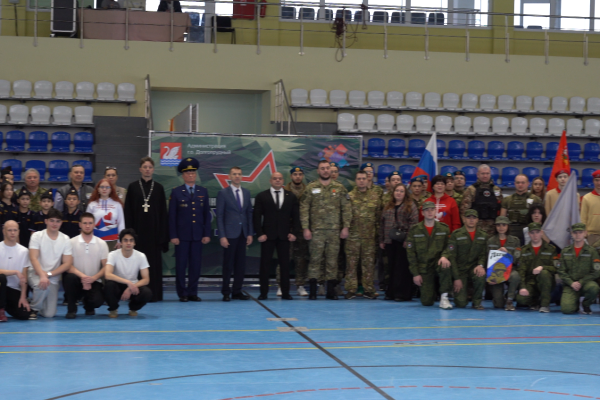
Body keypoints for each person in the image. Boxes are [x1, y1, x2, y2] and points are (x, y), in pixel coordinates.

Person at [300, 160, 351, 300]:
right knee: (315, 260)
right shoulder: (311, 187)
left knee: (332, 261)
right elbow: (304, 209)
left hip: (334, 231)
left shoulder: (339, 188)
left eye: (327, 168)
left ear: (331, 170)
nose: (325, 170)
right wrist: (305, 228)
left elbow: (346, 208)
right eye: (322, 168)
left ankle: (330, 292)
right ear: (318, 171)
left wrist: (345, 227)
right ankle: (313, 291)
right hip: (316, 231)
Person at [124, 157, 169, 302]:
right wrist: (129, 235)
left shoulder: (159, 188)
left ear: (153, 169)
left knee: (153, 265)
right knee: (136, 264)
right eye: (145, 167)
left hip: (154, 235)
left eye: (150, 167)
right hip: (137, 235)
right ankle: (135, 293)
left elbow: (163, 214)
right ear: (140, 169)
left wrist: (163, 237)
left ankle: (154, 294)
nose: (147, 169)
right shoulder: (132, 187)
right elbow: (128, 212)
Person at [169, 158, 211, 302]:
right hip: (182, 236)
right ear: (183, 175)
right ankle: (182, 293)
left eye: (193, 172)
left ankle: (193, 292)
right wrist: (173, 235)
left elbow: (206, 215)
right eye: (188, 173)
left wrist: (206, 233)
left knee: (195, 265)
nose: (191, 175)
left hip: (197, 235)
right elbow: (172, 216)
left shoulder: (203, 191)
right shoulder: (176, 192)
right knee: (181, 266)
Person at [253, 172, 300, 300]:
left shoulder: (291, 196)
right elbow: (256, 217)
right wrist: (260, 233)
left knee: (285, 265)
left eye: (280, 178)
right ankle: (263, 293)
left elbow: (296, 216)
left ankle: (285, 292)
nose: (277, 180)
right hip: (267, 236)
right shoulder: (262, 196)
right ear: (270, 181)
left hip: (285, 236)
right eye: (275, 178)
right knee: (265, 265)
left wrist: (294, 233)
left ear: (283, 180)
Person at [27, 209, 73, 319]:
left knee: (49, 314)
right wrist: (42, 275)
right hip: (35, 272)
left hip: (52, 276)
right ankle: (34, 308)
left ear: (61, 223)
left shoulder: (65, 239)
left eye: (58, 221)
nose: (54, 224)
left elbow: (67, 263)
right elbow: (33, 258)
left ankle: (39, 300)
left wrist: (48, 274)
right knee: (42, 286)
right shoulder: (37, 236)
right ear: (46, 221)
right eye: (52, 220)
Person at [406, 201, 453, 309]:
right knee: (427, 302)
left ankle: (444, 297)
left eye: (432, 209)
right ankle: (433, 292)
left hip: (438, 263)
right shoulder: (414, 230)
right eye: (427, 210)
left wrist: (445, 256)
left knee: (445, 266)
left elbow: (450, 246)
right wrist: (415, 274)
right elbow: (411, 254)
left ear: (435, 211)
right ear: (422, 213)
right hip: (424, 267)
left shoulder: (443, 228)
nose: (430, 212)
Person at [216, 166, 253, 302]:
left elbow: (249, 214)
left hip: (243, 234)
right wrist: (222, 236)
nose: (237, 176)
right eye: (234, 174)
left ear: (242, 176)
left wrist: (250, 233)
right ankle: (226, 291)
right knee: (228, 265)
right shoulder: (223, 193)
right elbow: (219, 216)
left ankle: (237, 291)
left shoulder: (246, 193)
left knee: (240, 265)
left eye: (239, 174)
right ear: (230, 177)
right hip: (229, 235)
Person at [344, 171, 382, 300]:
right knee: (351, 265)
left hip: (369, 237)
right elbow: (345, 216)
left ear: (367, 180)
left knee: (369, 265)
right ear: (356, 180)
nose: (361, 181)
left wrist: (378, 236)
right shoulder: (349, 196)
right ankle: (351, 289)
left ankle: (368, 289)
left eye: (363, 178)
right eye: (359, 178)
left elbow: (378, 218)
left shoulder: (375, 197)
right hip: (353, 237)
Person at [62, 212, 108, 319]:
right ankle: (71, 309)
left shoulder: (102, 244)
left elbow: (106, 266)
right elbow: (68, 265)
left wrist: (93, 279)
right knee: (69, 278)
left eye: (90, 223)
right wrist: (83, 277)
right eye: (85, 223)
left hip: (94, 280)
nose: (87, 226)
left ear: (94, 224)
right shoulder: (71, 242)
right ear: (80, 224)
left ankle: (89, 306)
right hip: (77, 280)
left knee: (98, 301)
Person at [441, 209, 488, 309]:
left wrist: (480, 265)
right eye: (468, 217)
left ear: (477, 220)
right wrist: (456, 278)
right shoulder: (456, 234)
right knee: (461, 303)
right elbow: (452, 257)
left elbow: (483, 253)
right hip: (460, 270)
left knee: (481, 275)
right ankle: (457, 293)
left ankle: (477, 302)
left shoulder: (483, 235)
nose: (471, 220)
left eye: (474, 218)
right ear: (464, 219)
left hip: (473, 268)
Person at [380, 182, 418, 301]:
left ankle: (402, 294)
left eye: (401, 191)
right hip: (390, 241)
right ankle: (391, 292)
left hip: (403, 240)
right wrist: (381, 240)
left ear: (405, 193)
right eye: (397, 191)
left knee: (402, 267)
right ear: (393, 192)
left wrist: (408, 239)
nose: (399, 193)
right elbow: (382, 223)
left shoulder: (410, 205)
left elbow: (414, 224)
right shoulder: (388, 205)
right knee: (391, 267)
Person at [104, 229, 152, 317]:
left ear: (134, 243)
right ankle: (113, 309)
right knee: (108, 286)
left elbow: (146, 279)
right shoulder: (112, 254)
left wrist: (130, 287)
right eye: (125, 240)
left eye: (131, 240)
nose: (128, 243)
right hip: (117, 286)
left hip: (133, 287)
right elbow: (107, 275)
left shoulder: (141, 256)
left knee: (147, 293)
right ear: (121, 242)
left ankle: (133, 308)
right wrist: (127, 282)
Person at [557, 223, 600, 315]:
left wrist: (581, 282)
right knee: (567, 310)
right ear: (572, 234)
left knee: (594, 288)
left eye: (580, 232)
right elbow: (561, 271)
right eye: (575, 232)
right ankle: (574, 303)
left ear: (585, 233)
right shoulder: (565, 251)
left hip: (586, 283)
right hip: (570, 285)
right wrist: (571, 283)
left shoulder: (592, 251)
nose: (578, 235)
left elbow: (596, 271)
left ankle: (586, 304)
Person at [515, 222, 558, 313]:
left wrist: (543, 267)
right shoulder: (524, 250)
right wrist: (522, 287)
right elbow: (521, 271)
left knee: (544, 273)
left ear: (541, 232)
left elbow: (556, 268)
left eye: (537, 232)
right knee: (521, 300)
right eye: (532, 233)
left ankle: (545, 305)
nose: (535, 235)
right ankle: (535, 301)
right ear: (529, 234)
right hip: (530, 282)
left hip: (546, 282)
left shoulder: (550, 249)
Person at [485, 216, 521, 310]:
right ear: (495, 227)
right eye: (498, 225)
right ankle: (501, 298)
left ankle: (509, 300)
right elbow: (487, 260)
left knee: (515, 276)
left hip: (509, 270)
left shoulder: (515, 241)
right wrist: (489, 277)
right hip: (495, 272)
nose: (501, 227)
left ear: (508, 226)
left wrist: (507, 253)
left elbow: (517, 259)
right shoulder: (490, 241)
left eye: (504, 225)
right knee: (498, 305)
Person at [283, 166, 309, 296]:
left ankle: (300, 285)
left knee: (301, 259)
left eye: (300, 174)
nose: (297, 177)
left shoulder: (307, 191)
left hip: (302, 229)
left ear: (302, 176)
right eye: (295, 174)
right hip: (287, 229)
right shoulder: (284, 191)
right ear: (291, 176)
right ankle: (281, 284)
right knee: (284, 258)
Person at [0, 221, 31, 321]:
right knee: (1, 278)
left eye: (15, 230)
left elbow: (24, 277)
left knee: (24, 314)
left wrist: (23, 297)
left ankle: (5, 305)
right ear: (4, 232)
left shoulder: (24, 251)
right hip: (1, 286)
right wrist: (15, 272)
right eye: (9, 230)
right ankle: (1, 310)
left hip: (13, 290)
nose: (12, 233)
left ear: (18, 232)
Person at [460, 164, 502, 236]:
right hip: (476, 228)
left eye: (487, 173)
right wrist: (467, 227)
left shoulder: (496, 189)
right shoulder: (471, 189)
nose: (485, 176)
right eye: (483, 173)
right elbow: (464, 210)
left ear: (490, 174)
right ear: (478, 175)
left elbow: (501, 207)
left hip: (493, 229)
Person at [500, 174, 541, 243]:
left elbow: (540, 219)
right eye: (518, 182)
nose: (520, 185)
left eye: (523, 182)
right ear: (514, 184)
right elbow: (502, 219)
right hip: (511, 231)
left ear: (528, 184)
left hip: (529, 231)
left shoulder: (536, 199)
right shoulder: (507, 199)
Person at [87, 179, 125, 251]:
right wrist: (88, 238)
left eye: (107, 187)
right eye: (102, 187)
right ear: (98, 189)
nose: (104, 189)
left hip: (113, 242)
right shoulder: (92, 205)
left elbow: (121, 223)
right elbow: (87, 223)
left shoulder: (117, 205)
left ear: (111, 189)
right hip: (96, 240)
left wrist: (120, 240)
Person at [580, 170, 600, 246]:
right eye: (596, 180)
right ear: (593, 181)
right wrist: (584, 233)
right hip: (592, 235)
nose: (599, 183)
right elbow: (583, 218)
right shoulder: (586, 198)